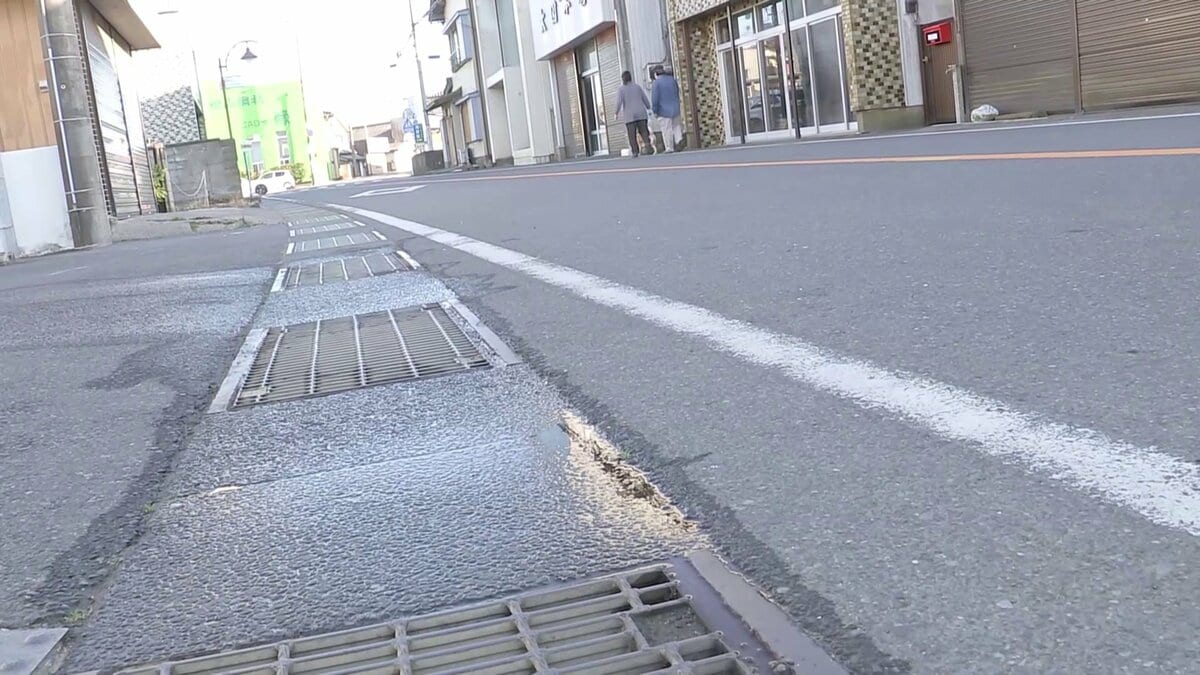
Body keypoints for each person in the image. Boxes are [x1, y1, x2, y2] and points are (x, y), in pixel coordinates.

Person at [614, 70, 653, 157]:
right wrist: (648, 107)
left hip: (630, 116)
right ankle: (648, 145)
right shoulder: (637, 87)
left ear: (623, 79)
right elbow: (644, 98)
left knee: (632, 134)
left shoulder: (621, 89)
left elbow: (618, 102)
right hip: (641, 113)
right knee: (644, 131)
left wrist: (616, 112)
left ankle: (635, 151)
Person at [651, 65, 682, 153]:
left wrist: (655, 110)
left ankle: (669, 147)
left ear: (656, 74)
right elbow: (677, 92)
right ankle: (679, 141)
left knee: (666, 129)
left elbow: (655, 98)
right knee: (676, 126)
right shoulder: (672, 80)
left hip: (663, 110)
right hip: (675, 108)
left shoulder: (656, 83)